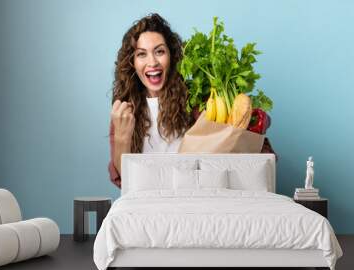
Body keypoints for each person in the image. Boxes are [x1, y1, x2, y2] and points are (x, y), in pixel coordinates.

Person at [108, 13, 276, 189]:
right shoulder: (124, 112)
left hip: (197, 197)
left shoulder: (195, 99)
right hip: (149, 203)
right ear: (132, 63)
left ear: (172, 56)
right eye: (141, 54)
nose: (152, 62)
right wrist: (122, 137)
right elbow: (126, 180)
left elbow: (248, 131)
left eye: (159, 51)